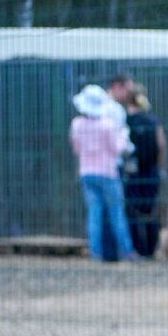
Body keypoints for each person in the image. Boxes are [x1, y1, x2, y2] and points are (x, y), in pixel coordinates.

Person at [70, 85, 135, 262]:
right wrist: (123, 136)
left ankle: (95, 254)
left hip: (87, 173)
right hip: (108, 173)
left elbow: (76, 148)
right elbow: (117, 149)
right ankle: (127, 251)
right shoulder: (107, 125)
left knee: (94, 214)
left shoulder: (76, 125)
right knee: (116, 213)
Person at [124, 85, 167, 257]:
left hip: (133, 172)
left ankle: (137, 248)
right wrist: (159, 168)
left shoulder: (126, 121)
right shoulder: (153, 120)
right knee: (151, 210)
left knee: (133, 210)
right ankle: (151, 249)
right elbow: (161, 145)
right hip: (151, 171)